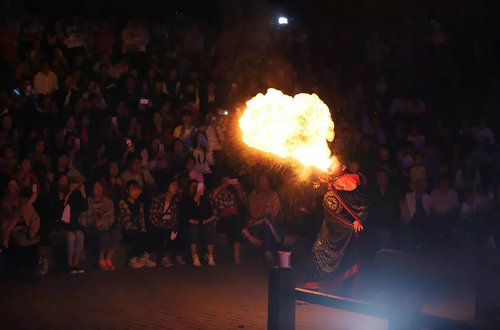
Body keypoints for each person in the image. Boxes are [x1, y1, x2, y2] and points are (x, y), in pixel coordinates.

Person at [307, 160, 368, 292]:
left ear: (343, 167)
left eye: (334, 163)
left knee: (343, 257)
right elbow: (313, 188)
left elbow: (363, 204)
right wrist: (316, 179)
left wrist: (359, 219)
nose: (330, 164)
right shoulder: (327, 180)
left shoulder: (348, 181)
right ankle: (314, 288)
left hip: (344, 229)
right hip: (329, 228)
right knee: (317, 252)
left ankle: (340, 290)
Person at [49, 175, 88, 274]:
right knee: (71, 236)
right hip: (57, 228)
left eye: (66, 181)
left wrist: (83, 192)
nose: (65, 184)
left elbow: (84, 207)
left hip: (71, 226)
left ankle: (76, 263)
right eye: (62, 181)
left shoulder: (73, 196)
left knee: (80, 235)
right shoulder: (53, 197)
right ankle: (69, 264)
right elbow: (58, 212)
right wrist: (69, 193)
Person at [242, 174, 284, 262]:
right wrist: (264, 212)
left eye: (265, 182)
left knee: (267, 225)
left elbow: (275, 212)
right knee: (267, 219)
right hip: (254, 222)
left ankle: (267, 252)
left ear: (269, 183)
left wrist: (264, 211)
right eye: (261, 182)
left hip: (269, 223)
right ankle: (281, 239)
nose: (262, 184)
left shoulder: (273, 195)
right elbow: (253, 213)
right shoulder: (254, 195)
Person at [79, 181, 120, 271]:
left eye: (100, 187)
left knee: (115, 234)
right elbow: (82, 219)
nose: (98, 190)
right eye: (96, 187)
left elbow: (111, 218)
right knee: (104, 235)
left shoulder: (108, 201)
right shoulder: (87, 201)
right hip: (91, 228)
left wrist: (103, 223)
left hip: (105, 226)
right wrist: (93, 221)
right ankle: (101, 259)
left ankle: (108, 259)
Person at [117, 180, 156, 269]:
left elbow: (142, 220)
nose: (136, 192)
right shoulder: (123, 202)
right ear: (127, 191)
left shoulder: (140, 203)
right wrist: (139, 229)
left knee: (151, 233)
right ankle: (132, 259)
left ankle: (144, 258)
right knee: (137, 234)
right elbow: (125, 221)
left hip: (136, 228)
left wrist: (143, 230)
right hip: (125, 230)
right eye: (133, 189)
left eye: (137, 189)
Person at [178, 179, 216, 267]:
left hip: (202, 222)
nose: (195, 189)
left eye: (197, 187)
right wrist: (195, 198)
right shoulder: (185, 200)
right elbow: (187, 213)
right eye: (193, 187)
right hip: (189, 223)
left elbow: (208, 213)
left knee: (209, 227)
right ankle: (194, 257)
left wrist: (203, 221)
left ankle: (210, 256)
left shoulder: (204, 200)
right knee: (193, 228)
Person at [149, 175, 185, 267]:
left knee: (178, 231)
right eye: (173, 185)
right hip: (158, 225)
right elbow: (153, 217)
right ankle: (163, 257)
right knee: (163, 232)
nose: (176, 187)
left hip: (169, 224)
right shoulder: (158, 199)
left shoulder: (176, 200)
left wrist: (173, 226)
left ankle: (177, 255)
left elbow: (175, 217)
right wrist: (164, 225)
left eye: (177, 185)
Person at [212, 177, 247, 264]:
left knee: (235, 223)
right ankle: (247, 235)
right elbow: (212, 197)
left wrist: (238, 188)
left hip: (233, 223)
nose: (227, 182)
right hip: (221, 222)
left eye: (228, 180)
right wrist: (222, 186)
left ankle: (236, 258)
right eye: (225, 181)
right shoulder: (218, 194)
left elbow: (244, 200)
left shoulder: (232, 194)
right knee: (234, 220)